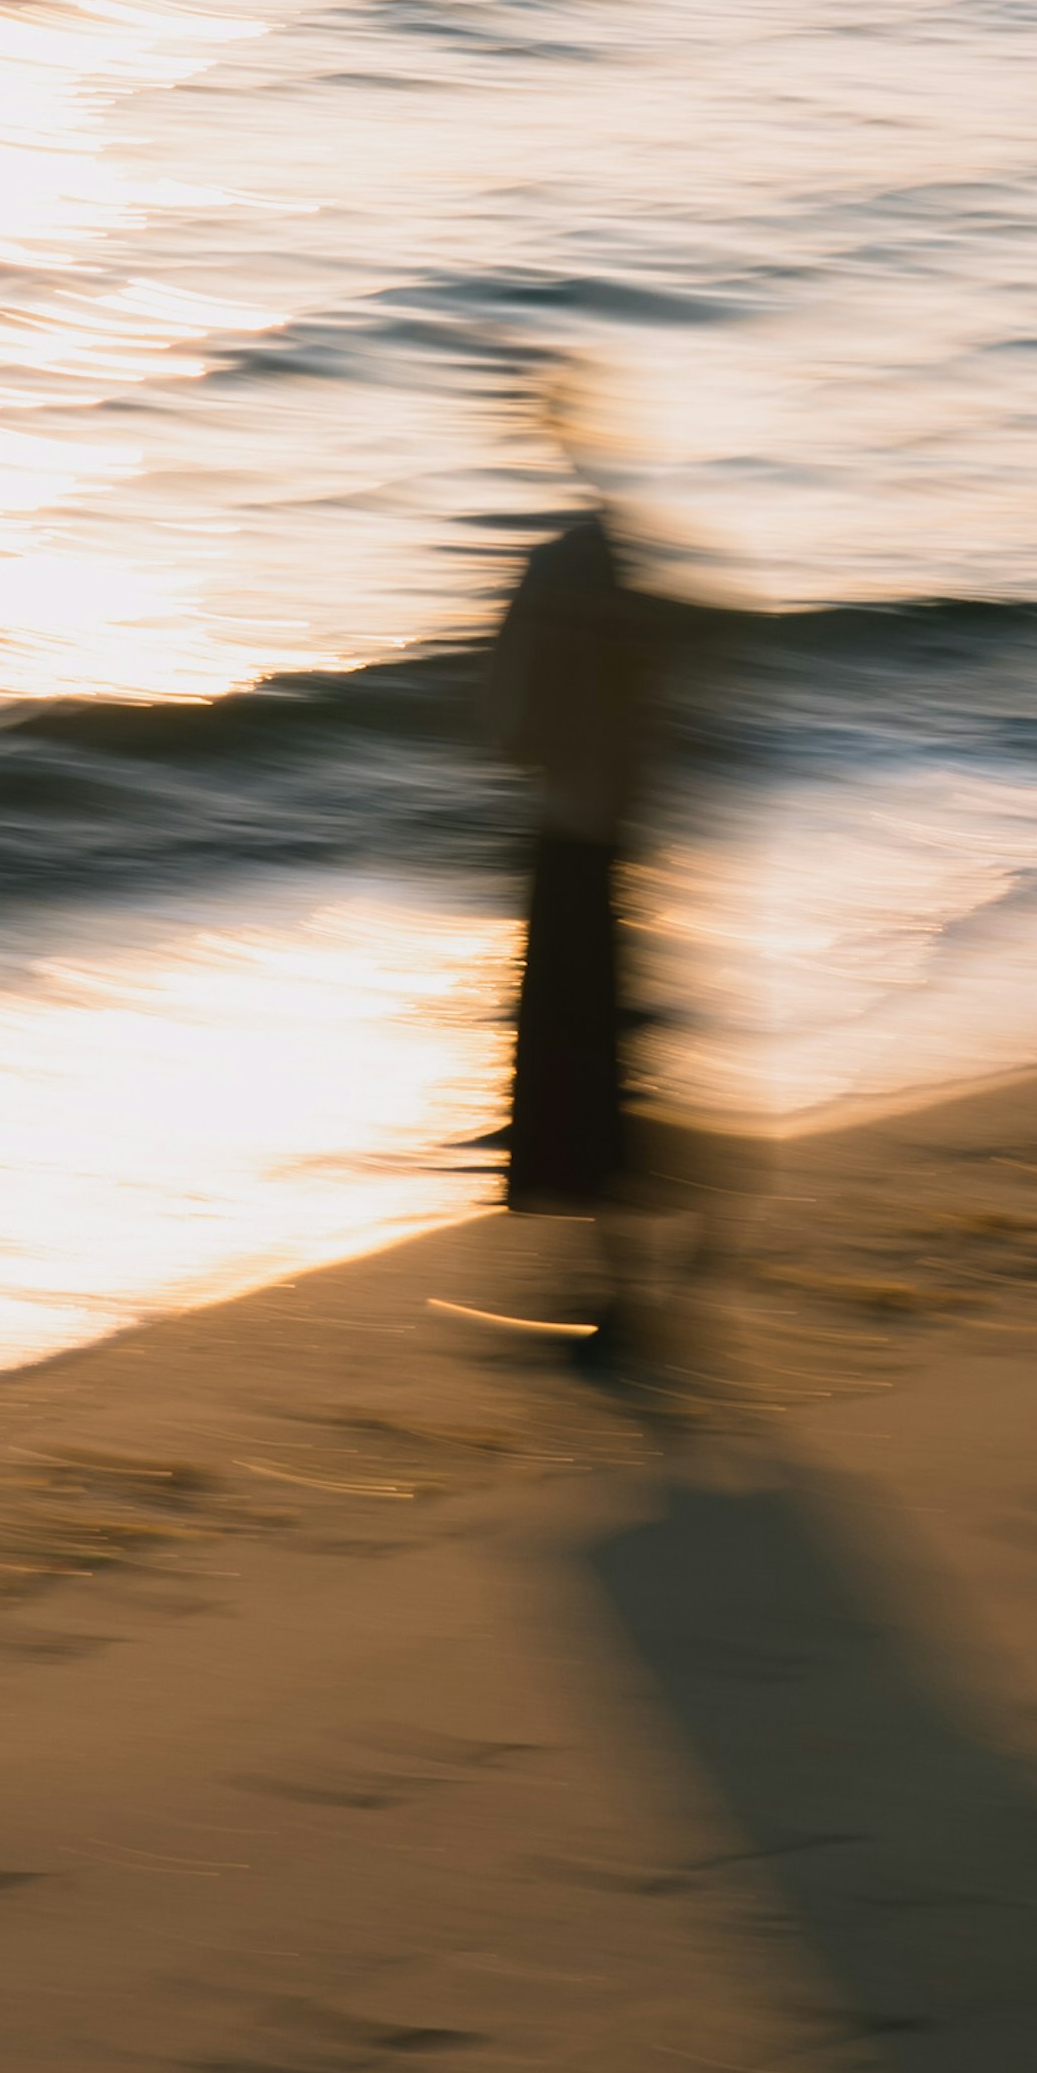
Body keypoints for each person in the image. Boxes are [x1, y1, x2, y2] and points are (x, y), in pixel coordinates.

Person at [483, 362, 682, 1375]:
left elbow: (512, 724)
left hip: (569, 830)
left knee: (573, 1070)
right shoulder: (637, 561)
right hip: (628, 829)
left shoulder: (558, 567)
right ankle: (621, 1286)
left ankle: (624, 1301)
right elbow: (667, 708)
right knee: (609, 1059)